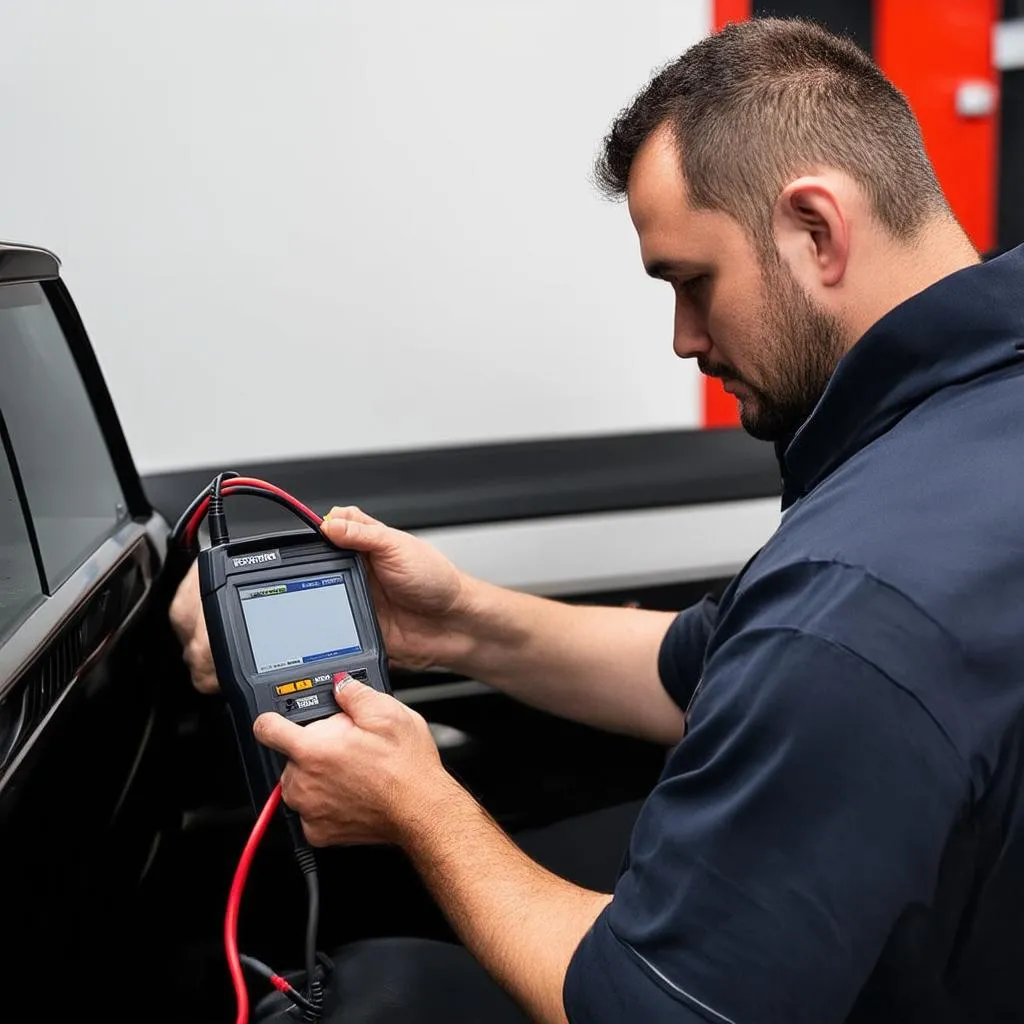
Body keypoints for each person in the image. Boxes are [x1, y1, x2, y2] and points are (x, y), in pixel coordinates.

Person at [171, 17, 1024, 1023]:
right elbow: (699, 666)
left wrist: (419, 807)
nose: (683, 339)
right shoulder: (956, 433)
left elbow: (648, 1009)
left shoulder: (853, 602)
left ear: (816, 229)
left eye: (690, 283)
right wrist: (453, 624)